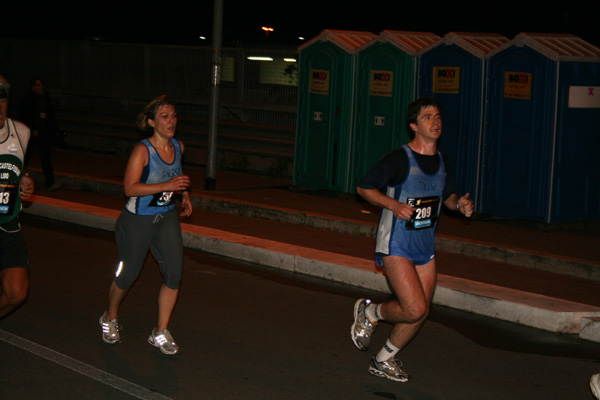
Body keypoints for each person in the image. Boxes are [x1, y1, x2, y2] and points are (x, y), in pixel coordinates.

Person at [351, 97, 474, 382]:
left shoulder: (443, 161)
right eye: (428, 117)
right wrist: (393, 205)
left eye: (438, 116)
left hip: (424, 245)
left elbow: (449, 198)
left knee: (420, 312)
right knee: (414, 307)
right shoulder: (398, 158)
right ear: (413, 126)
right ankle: (370, 312)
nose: (436, 121)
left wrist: (461, 205)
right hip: (396, 243)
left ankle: (383, 360)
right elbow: (364, 187)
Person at [99, 95, 192, 355]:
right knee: (128, 274)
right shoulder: (142, 150)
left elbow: (176, 176)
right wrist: (167, 186)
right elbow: (129, 188)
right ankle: (110, 317)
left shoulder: (178, 147)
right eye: (164, 116)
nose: (171, 121)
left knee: (174, 274)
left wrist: (184, 195)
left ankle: (160, 332)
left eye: (173, 116)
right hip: (136, 220)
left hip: (166, 218)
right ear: (151, 122)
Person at [0, 74, 35, 318]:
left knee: (17, 292)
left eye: (1, 100)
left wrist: (25, 181)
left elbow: (19, 169)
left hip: (7, 224)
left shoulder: (21, 132)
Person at [19, 77, 60, 192]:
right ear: (32, 87)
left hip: (43, 133)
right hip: (32, 134)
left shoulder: (46, 99)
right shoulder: (28, 99)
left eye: (41, 85)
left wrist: (54, 130)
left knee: (46, 158)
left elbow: (50, 116)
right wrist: (31, 129)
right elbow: (24, 116)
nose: (40, 87)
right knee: (25, 158)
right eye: (37, 85)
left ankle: (50, 183)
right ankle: (18, 179)